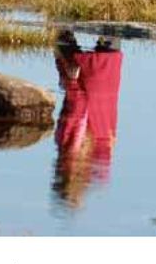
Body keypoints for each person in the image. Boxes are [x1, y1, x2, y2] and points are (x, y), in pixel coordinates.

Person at [52, 32, 124, 209]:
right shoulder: (69, 149)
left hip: (106, 75)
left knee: (110, 29)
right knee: (61, 33)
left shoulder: (101, 171)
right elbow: (77, 107)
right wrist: (70, 79)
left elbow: (111, 138)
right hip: (92, 76)